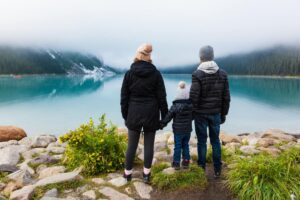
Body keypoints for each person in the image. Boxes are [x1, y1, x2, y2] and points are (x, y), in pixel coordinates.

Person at [121, 43, 168, 184]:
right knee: (149, 145)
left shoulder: (129, 74)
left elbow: (124, 98)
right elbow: (162, 97)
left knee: (131, 145)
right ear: (149, 57)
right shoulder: (156, 74)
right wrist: (164, 118)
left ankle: (127, 174)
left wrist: (126, 116)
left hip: (133, 113)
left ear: (137, 56)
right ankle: (146, 174)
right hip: (151, 113)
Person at [190, 45, 230, 178]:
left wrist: (192, 114)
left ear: (201, 57)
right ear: (212, 56)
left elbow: (194, 97)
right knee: (215, 141)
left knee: (201, 141)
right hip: (216, 113)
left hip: (200, 114)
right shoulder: (222, 74)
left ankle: (201, 169)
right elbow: (226, 97)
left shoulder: (197, 74)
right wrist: (223, 114)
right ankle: (217, 170)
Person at [160, 81, 193, 170]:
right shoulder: (191, 105)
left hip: (178, 130)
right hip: (187, 130)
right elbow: (193, 116)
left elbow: (168, 116)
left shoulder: (175, 106)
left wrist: (162, 124)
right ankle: (186, 161)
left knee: (177, 145)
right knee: (185, 144)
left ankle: (176, 163)